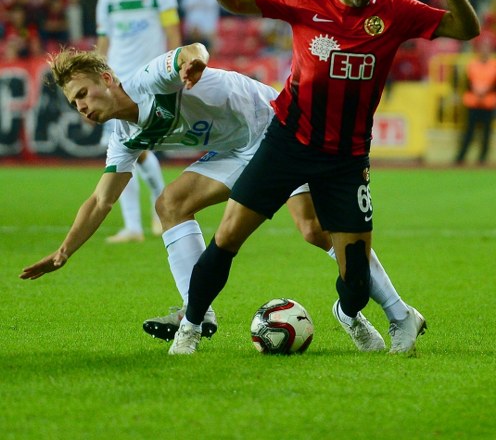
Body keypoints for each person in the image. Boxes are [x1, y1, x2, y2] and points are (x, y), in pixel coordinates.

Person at [167, 0, 480, 356]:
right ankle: (190, 326)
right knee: (227, 238)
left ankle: (348, 313)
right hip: (287, 143)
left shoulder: (396, 11)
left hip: (347, 159)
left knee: (355, 281)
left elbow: (466, 29)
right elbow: (242, 0)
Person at [20, 43, 421, 354]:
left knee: (314, 229)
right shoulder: (124, 138)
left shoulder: (149, 81)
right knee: (170, 204)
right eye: (75, 103)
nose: (82, 107)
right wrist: (63, 252)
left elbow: (192, 50)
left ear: (107, 78)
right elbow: (100, 201)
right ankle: (196, 308)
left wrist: (193, 63)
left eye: (84, 94)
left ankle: (398, 313)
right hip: (236, 150)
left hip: (276, 127)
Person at [96, 0, 181, 243]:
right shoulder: (107, 1)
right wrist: (98, 83)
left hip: (148, 80)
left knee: (137, 148)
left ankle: (156, 212)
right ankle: (133, 226)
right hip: (116, 84)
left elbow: (173, 34)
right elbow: (103, 44)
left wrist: (171, 74)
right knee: (122, 152)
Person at [455, 36, 496, 164]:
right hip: (473, 102)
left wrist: (486, 90)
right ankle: (461, 157)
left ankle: (482, 158)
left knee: (486, 133)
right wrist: (477, 89)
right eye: (482, 48)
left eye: (487, 48)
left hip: (488, 103)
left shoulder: (494, 65)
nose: (484, 51)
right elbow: (467, 82)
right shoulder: (472, 64)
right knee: (468, 131)